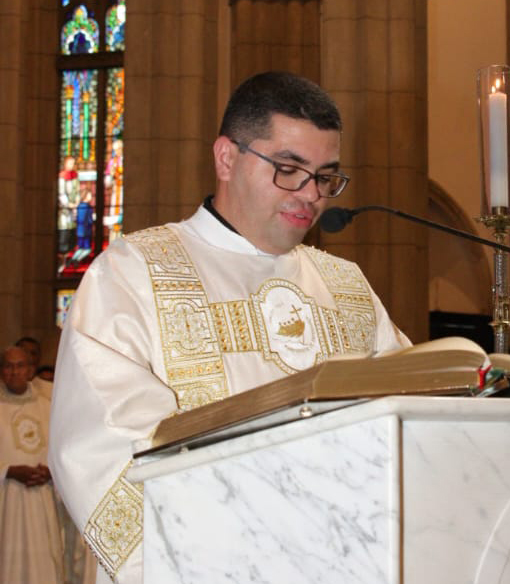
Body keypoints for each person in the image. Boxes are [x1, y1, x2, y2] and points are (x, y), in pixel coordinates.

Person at [48, 71, 411, 584]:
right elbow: (99, 449)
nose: (312, 195)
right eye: (289, 169)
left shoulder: (347, 287)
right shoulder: (136, 272)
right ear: (226, 158)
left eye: (326, 176)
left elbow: (407, 417)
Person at [0, 346, 64, 584]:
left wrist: (51, 471)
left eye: (20, 366)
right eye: (8, 366)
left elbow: (60, 450)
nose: (14, 372)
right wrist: (9, 471)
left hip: (42, 497)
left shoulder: (47, 407)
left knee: (44, 562)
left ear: (30, 370)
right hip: (7, 500)